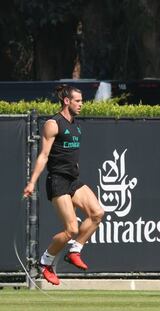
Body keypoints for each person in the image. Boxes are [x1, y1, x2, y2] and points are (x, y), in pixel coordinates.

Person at [23, 85, 104, 286]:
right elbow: (43, 156)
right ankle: (45, 262)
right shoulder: (53, 124)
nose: (81, 104)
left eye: (82, 101)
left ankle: (74, 251)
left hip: (73, 180)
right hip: (58, 180)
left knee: (97, 213)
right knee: (71, 229)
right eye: (78, 101)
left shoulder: (76, 125)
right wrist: (32, 182)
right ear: (67, 101)